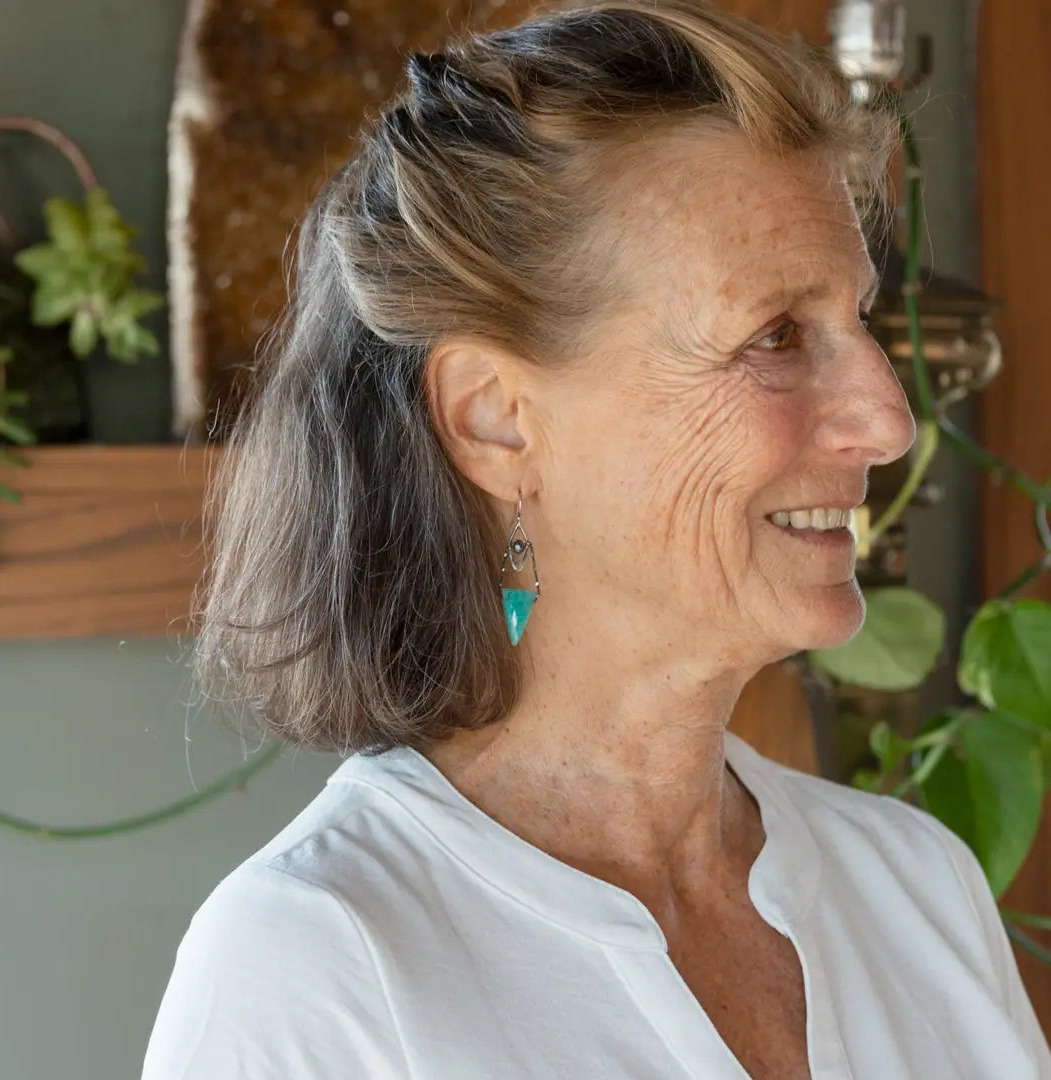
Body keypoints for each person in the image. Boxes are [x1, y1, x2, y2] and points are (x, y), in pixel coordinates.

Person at [142, 1, 1051, 1077]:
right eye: (774, 336)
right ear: (494, 419)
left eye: (857, 320)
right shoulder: (316, 965)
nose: (887, 420)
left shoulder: (916, 887)